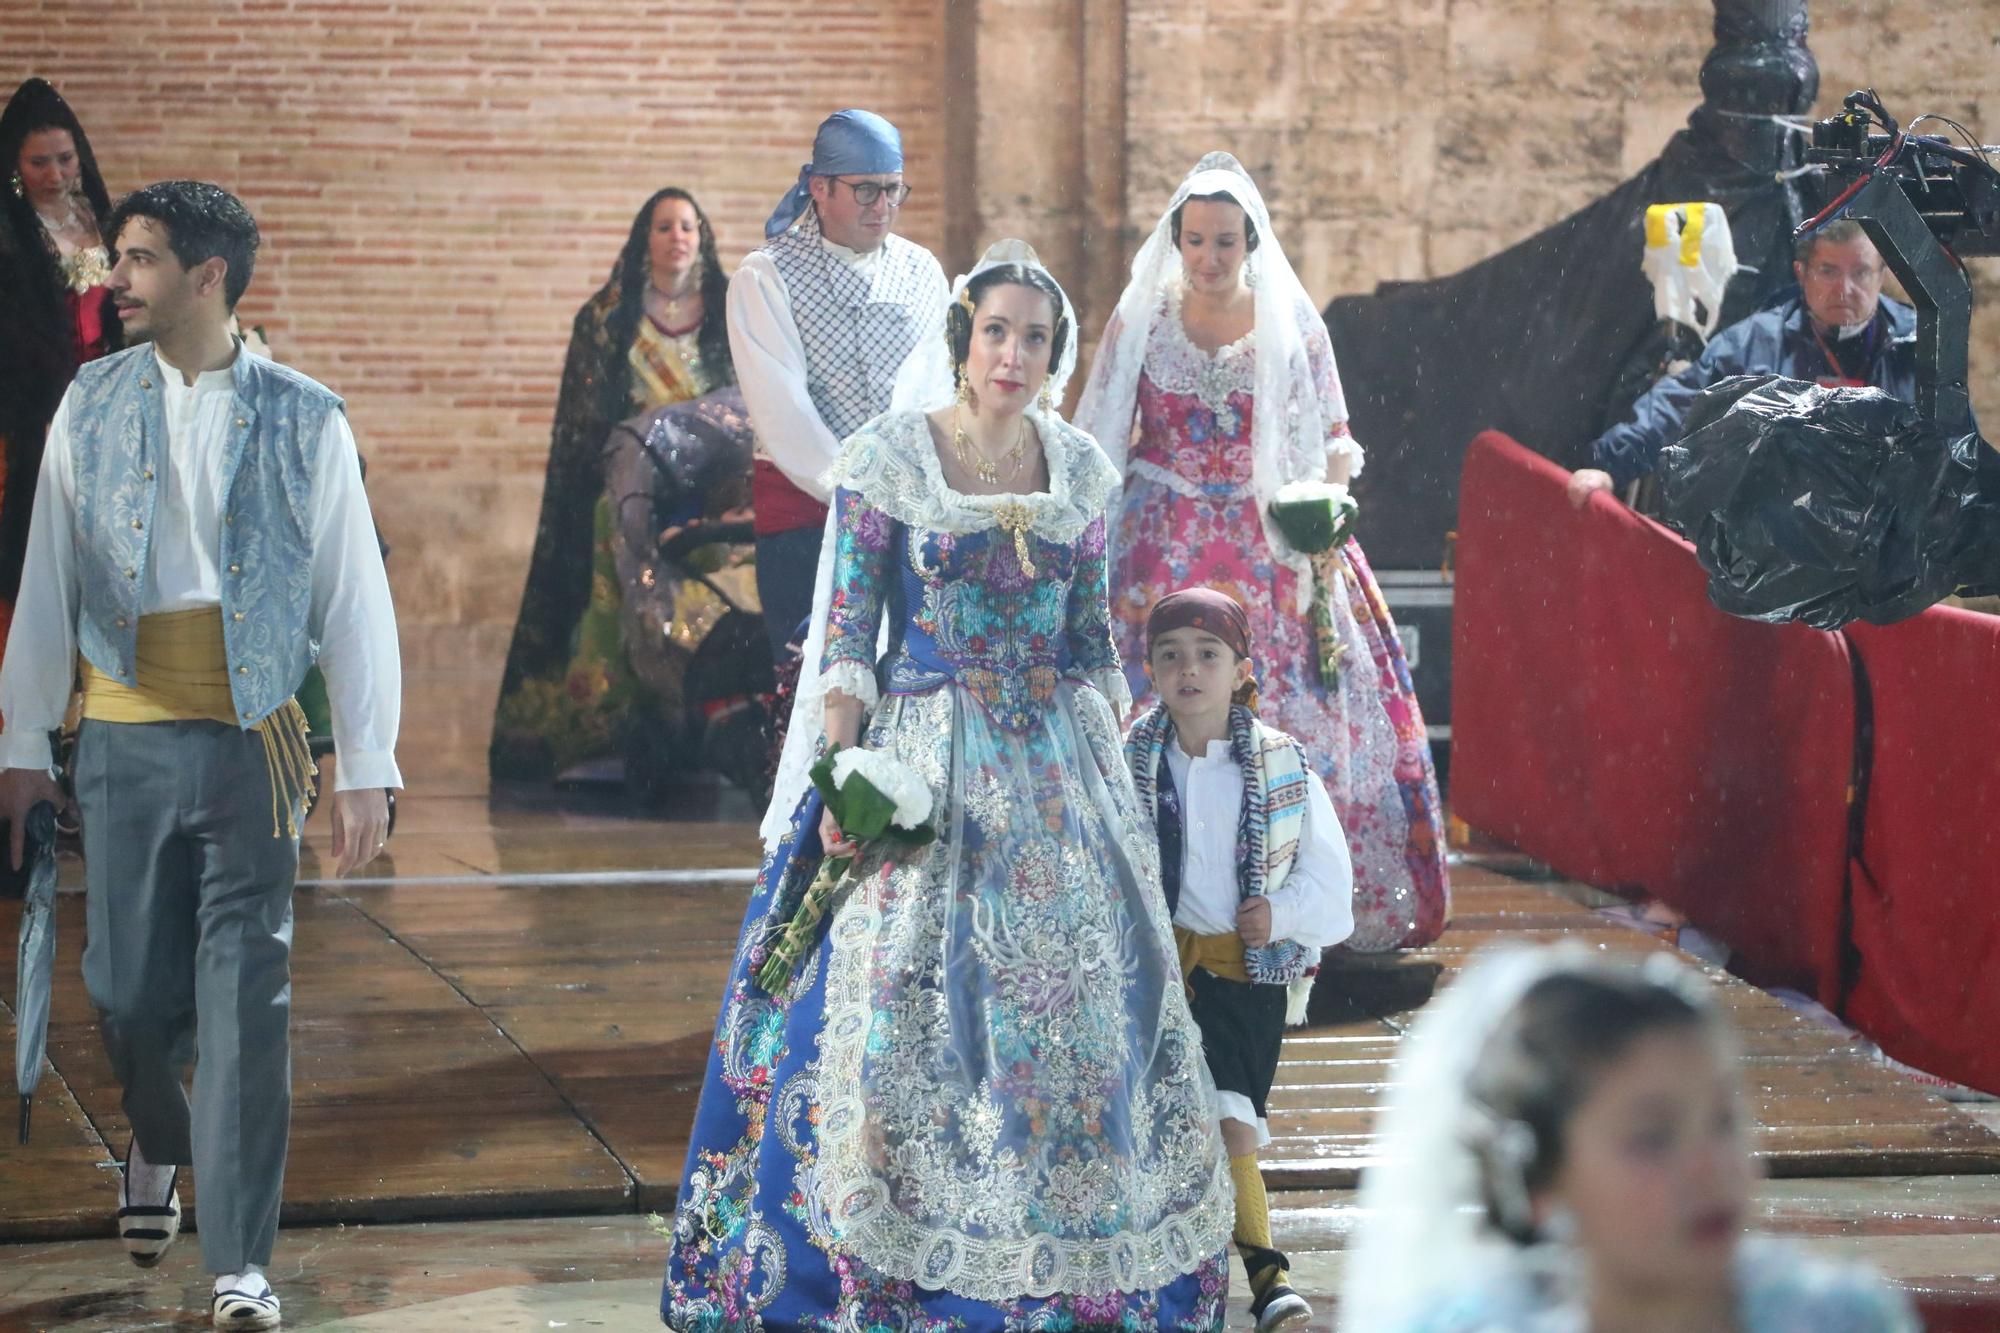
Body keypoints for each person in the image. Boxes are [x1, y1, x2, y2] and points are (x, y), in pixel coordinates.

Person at [662, 242, 1232, 1330]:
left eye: (1032, 337)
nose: (1011, 353)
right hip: (924, 757)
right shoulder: (889, 458)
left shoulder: (1079, 470)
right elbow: (845, 640)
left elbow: (1085, 641)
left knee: (1087, 1015)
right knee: (906, 1014)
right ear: (962, 344)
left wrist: (1116, 785)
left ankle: (1073, 1255)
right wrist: (845, 777)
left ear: (1053, 355)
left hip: (1059, 772)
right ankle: (887, 1267)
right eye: (994, 332)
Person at [0, 181, 401, 1331]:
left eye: (137, 259)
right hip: (122, 736)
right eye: (117, 257)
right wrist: (24, 740)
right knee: (124, 994)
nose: (113, 279)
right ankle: (160, 1134)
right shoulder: (84, 404)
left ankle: (241, 1263)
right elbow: (46, 581)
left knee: (245, 997)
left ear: (209, 276)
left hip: (251, 742)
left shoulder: (309, 415)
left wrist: (366, 756)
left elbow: (352, 596)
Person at [1075, 151, 1448, 953]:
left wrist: (1328, 514)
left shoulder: (1292, 321)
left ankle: (1287, 899)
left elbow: (1337, 438)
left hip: (1268, 536)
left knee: (1285, 708)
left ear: (1251, 243)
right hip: (1159, 540)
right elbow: (1101, 433)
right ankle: (1151, 904)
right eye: (1196, 241)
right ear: (1176, 239)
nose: (1209, 259)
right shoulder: (1140, 318)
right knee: (1155, 708)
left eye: (1226, 243)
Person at [1340, 946, 1921, 1333]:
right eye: (1652, 1139)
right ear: (1542, 1181)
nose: (1709, 1165)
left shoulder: (1842, 1320)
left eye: (1723, 1121)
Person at [1126, 586, 1355, 1333]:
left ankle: (1264, 1273)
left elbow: (1332, 888)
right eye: (1170, 656)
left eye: (1207, 654)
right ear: (1151, 671)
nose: (1188, 669)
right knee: (1158, 1123)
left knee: (1230, 1124)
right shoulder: (1132, 758)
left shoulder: (1280, 766)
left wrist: (1278, 914)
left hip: (1239, 975)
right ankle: (1168, 1276)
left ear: (1240, 668)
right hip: (1160, 973)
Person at [493, 187, 735, 784]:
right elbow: (587, 418)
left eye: (687, 226)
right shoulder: (609, 318)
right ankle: (613, 727)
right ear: (642, 240)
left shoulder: (730, 314)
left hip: (711, 488)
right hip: (630, 485)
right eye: (663, 227)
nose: (676, 237)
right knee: (612, 525)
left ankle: (714, 713)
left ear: (701, 240)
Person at [728, 108, 949, 658]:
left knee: (910, 695)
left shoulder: (923, 271)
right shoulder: (765, 276)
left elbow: (941, 390)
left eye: (894, 191)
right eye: (866, 190)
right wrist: (862, 492)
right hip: (809, 524)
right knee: (817, 703)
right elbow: (784, 413)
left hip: (911, 524)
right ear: (819, 187)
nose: (883, 208)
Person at [1569, 221, 1915, 507]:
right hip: (1778, 544)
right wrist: (1609, 467)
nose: (1845, 289)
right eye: (1828, 271)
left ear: (1881, 276)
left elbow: (1952, 447)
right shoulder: (1754, 345)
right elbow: (1680, 405)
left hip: (1879, 552)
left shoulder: (1916, 348)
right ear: (1802, 273)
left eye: (1862, 273)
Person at [0, 77, 120, 671]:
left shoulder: (102, 217)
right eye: (39, 161)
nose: (55, 173)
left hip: (107, 393)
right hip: (32, 405)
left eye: (65, 158)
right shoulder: (8, 234)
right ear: (15, 164)